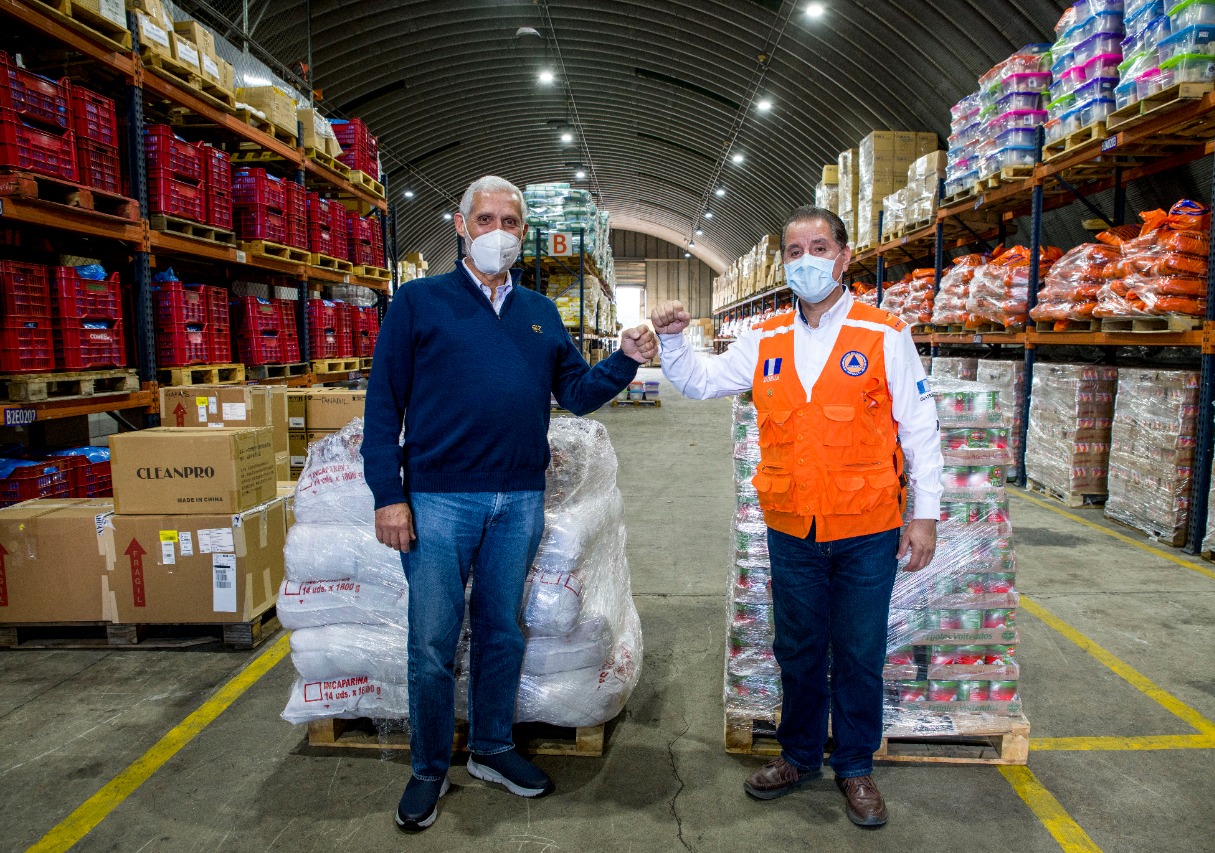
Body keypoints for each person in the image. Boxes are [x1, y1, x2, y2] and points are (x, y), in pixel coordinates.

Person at [362, 175, 658, 833]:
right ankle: (428, 768)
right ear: (461, 226)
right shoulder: (418, 303)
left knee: (502, 628)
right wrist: (389, 495)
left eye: (512, 222)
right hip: (438, 499)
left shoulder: (540, 312)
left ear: (524, 234)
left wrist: (626, 360)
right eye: (487, 219)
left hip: (517, 497)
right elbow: (384, 404)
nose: (500, 231)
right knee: (434, 640)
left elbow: (576, 392)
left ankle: (494, 746)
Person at [650, 206, 942, 829]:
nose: (805, 259)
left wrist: (926, 516)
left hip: (867, 527)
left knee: (860, 650)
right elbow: (702, 382)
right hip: (793, 528)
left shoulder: (884, 332)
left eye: (818, 246)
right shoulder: (765, 339)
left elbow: (920, 430)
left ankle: (856, 765)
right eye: (793, 250)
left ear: (842, 256)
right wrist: (672, 343)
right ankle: (799, 755)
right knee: (800, 649)